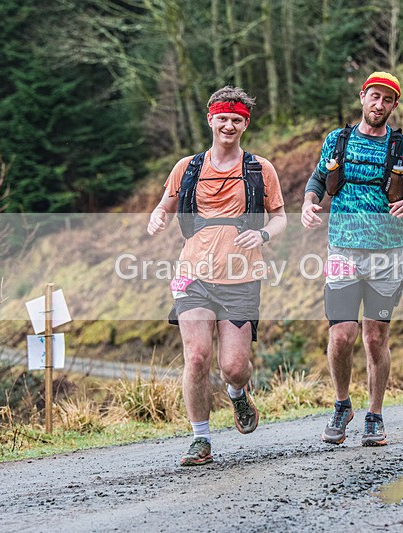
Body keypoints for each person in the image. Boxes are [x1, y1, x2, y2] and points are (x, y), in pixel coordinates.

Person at [147, 86, 287, 466]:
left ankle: (237, 393)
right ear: (210, 120)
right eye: (222, 118)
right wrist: (158, 216)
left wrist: (261, 234)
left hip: (241, 276)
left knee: (234, 367)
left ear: (245, 124)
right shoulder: (187, 167)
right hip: (192, 273)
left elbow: (280, 218)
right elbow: (164, 205)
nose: (229, 125)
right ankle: (200, 439)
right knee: (196, 357)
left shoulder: (260, 169)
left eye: (236, 119)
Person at [301, 71, 403, 446]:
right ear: (362, 97)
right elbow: (316, 181)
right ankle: (342, 404)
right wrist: (309, 204)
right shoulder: (337, 140)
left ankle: (374, 415)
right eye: (374, 97)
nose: (379, 105)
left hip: (386, 256)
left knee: (375, 338)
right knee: (342, 335)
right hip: (342, 250)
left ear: (395, 106)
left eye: (387, 100)